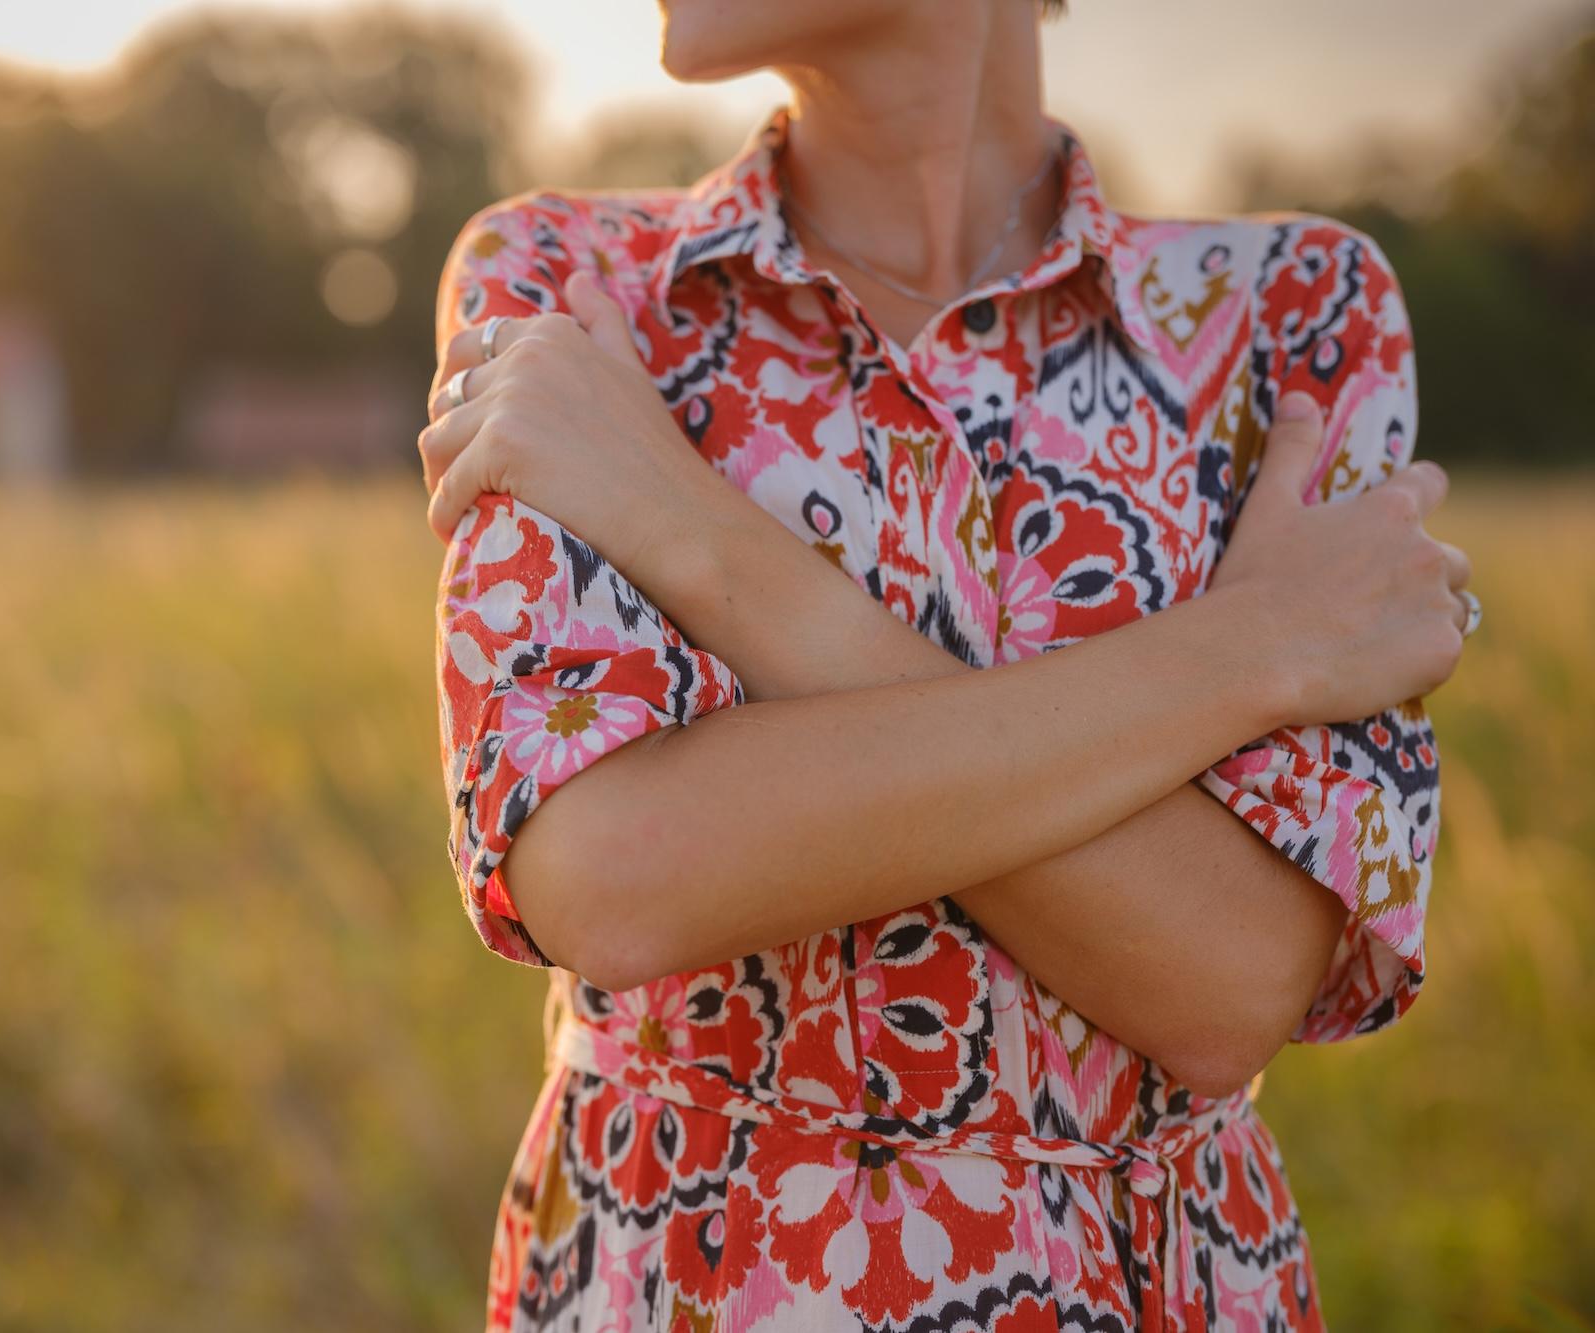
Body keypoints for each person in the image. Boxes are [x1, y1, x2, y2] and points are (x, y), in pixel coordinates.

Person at [418, 0, 1477, 1326]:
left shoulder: (1288, 317)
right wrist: (1252, 646)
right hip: (693, 1281)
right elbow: (608, 871)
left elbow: (1228, 981)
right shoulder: (573, 289)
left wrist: (695, 537)